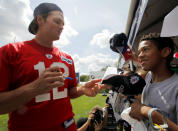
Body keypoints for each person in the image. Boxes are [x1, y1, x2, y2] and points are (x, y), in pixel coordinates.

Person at [0, 3, 107, 131]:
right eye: (57, 21)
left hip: (68, 126)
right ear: (40, 20)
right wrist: (34, 88)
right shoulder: (11, 52)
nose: (61, 27)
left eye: (63, 24)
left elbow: (69, 92)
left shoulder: (67, 58)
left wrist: (82, 89)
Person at [129, 33, 178, 131]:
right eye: (139, 52)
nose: (140, 56)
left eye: (145, 49)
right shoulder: (148, 77)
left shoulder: (175, 87)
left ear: (165, 52)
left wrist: (149, 113)